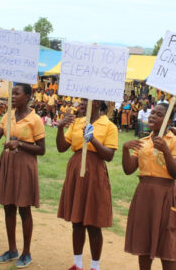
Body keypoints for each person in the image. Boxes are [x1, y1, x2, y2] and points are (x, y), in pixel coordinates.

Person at [56, 99, 118, 270]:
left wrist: (93, 140)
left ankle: (95, 266)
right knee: (77, 221)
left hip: (95, 172)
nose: (80, 103)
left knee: (93, 222)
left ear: (97, 103)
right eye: (81, 100)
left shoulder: (109, 126)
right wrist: (60, 127)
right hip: (76, 169)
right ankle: (77, 264)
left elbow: (109, 155)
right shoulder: (77, 122)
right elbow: (61, 147)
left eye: (85, 100)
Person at [122, 103, 176, 270]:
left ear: (169, 120)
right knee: (143, 244)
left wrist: (165, 150)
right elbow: (129, 169)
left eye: (158, 114)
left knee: (167, 246)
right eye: (152, 113)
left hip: (166, 196)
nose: (152, 116)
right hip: (144, 196)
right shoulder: (143, 142)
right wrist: (124, 150)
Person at [0, 83, 45, 268]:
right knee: (8, 206)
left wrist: (19, 144)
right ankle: (12, 249)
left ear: (28, 96)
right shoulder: (8, 115)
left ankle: (26, 252)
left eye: (17, 93)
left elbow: (41, 149)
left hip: (24, 165)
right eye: (12, 93)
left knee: (24, 208)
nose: (13, 96)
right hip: (8, 163)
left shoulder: (35, 119)